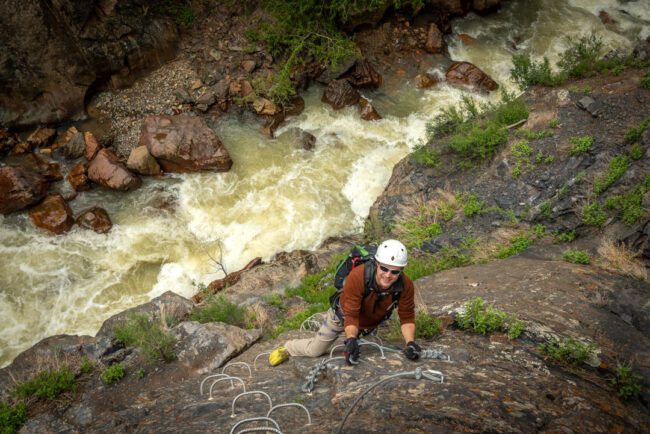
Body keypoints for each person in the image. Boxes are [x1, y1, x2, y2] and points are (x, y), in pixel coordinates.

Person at [269, 239, 421, 366]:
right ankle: (288, 348)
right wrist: (351, 340)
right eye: (384, 269)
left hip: (368, 320)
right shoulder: (358, 276)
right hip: (343, 316)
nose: (388, 275)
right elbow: (351, 313)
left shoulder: (405, 285)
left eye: (395, 271)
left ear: (401, 270)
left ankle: (356, 331)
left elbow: (406, 316)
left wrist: (410, 343)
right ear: (376, 264)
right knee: (315, 350)